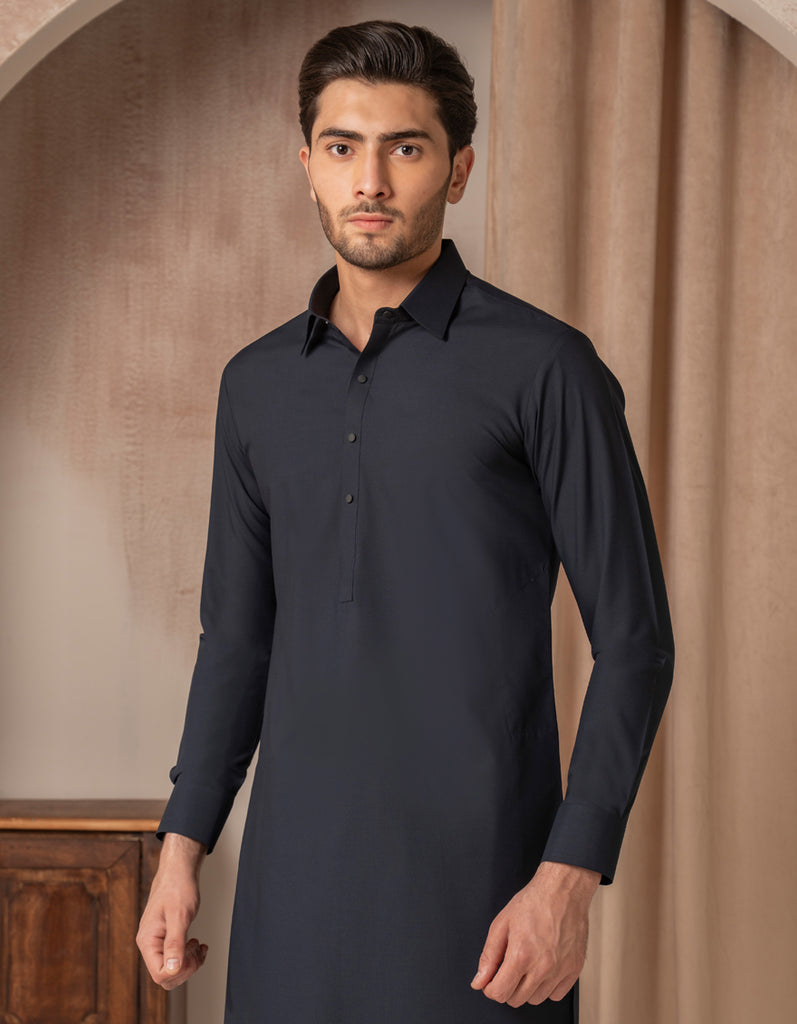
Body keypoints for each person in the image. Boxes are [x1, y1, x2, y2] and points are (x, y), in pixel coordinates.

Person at [137, 20, 674, 1023]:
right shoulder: (254, 385)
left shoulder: (545, 368)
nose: (370, 180)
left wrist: (567, 878)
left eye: (406, 148)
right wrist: (181, 850)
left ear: (458, 170)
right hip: (292, 894)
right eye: (342, 147)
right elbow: (236, 641)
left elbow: (635, 642)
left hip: (484, 898)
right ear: (306, 165)